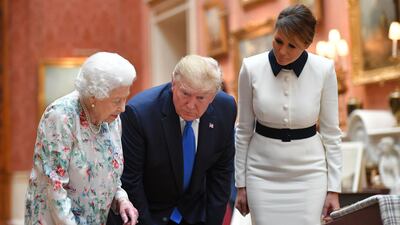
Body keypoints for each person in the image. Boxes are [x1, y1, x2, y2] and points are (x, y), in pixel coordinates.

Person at [234, 4, 342, 225]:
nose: (282, 51)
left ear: (306, 44)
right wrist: (241, 184)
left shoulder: (324, 70)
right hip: (261, 173)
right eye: (278, 41)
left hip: (310, 174)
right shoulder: (250, 68)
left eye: (292, 45)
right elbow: (243, 130)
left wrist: (334, 189)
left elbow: (331, 134)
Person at [107, 55, 237, 225]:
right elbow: (132, 180)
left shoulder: (225, 108)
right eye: (185, 93)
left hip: (196, 212)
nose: (191, 105)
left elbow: (221, 173)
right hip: (151, 211)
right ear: (173, 84)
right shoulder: (140, 113)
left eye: (200, 98)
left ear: (212, 96)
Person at [25, 52, 139, 225]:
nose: (123, 108)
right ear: (94, 96)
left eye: (125, 98)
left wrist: (122, 200)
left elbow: (109, 176)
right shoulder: (61, 116)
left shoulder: (112, 120)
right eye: (117, 100)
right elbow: (54, 187)